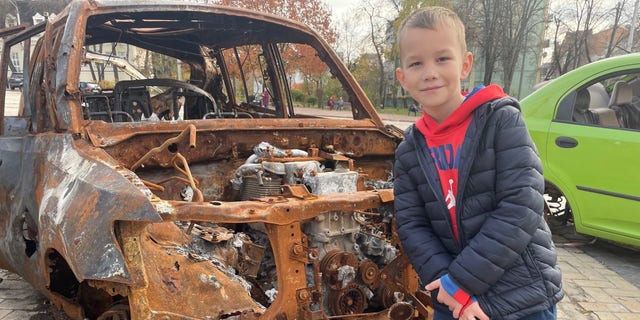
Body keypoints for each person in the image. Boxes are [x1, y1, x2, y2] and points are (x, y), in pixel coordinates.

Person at [393, 6, 563, 320]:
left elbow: (521, 206)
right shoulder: (409, 150)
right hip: (453, 298)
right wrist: (449, 287)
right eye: (416, 63)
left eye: (442, 58)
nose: (430, 72)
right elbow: (412, 225)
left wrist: (461, 281)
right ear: (402, 77)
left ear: (465, 65)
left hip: (519, 296)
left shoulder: (501, 121)